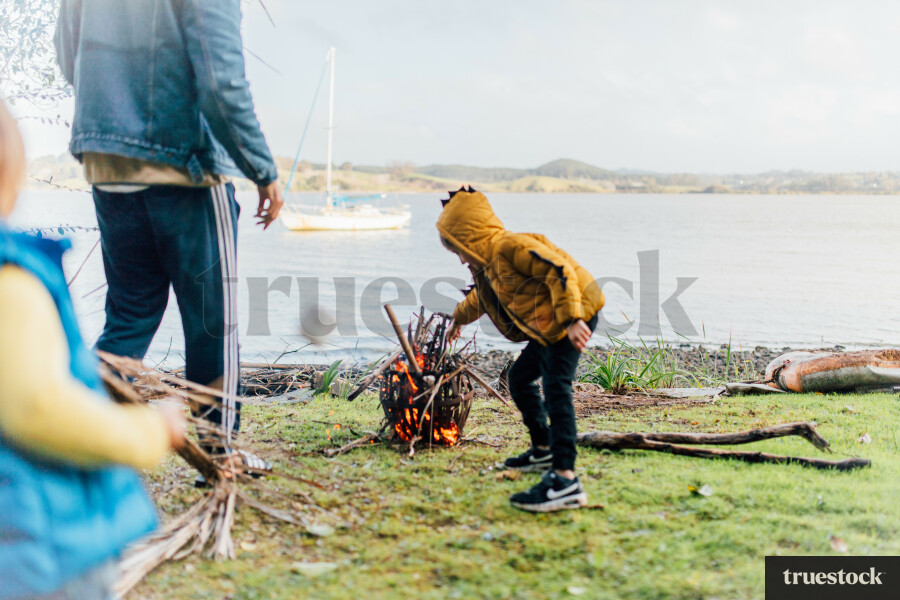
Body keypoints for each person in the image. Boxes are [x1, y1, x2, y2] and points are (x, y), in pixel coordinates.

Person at [54, 0, 284, 474]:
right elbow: (221, 79)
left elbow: (65, 51)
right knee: (212, 323)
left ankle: (75, 441)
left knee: (129, 315)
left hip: (108, 162)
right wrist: (261, 167)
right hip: (185, 166)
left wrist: (117, 116)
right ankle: (220, 454)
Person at [0, 99, 186, 599]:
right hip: (38, 550)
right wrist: (149, 431)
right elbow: (36, 407)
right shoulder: (12, 283)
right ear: (10, 178)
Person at [437, 187, 605, 512]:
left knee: (556, 388)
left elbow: (558, 270)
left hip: (575, 314)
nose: (461, 258)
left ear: (473, 236)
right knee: (519, 378)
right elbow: (479, 299)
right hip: (552, 324)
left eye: (460, 249)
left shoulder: (510, 246)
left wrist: (572, 319)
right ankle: (543, 450)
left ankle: (565, 480)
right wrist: (458, 319)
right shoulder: (488, 268)